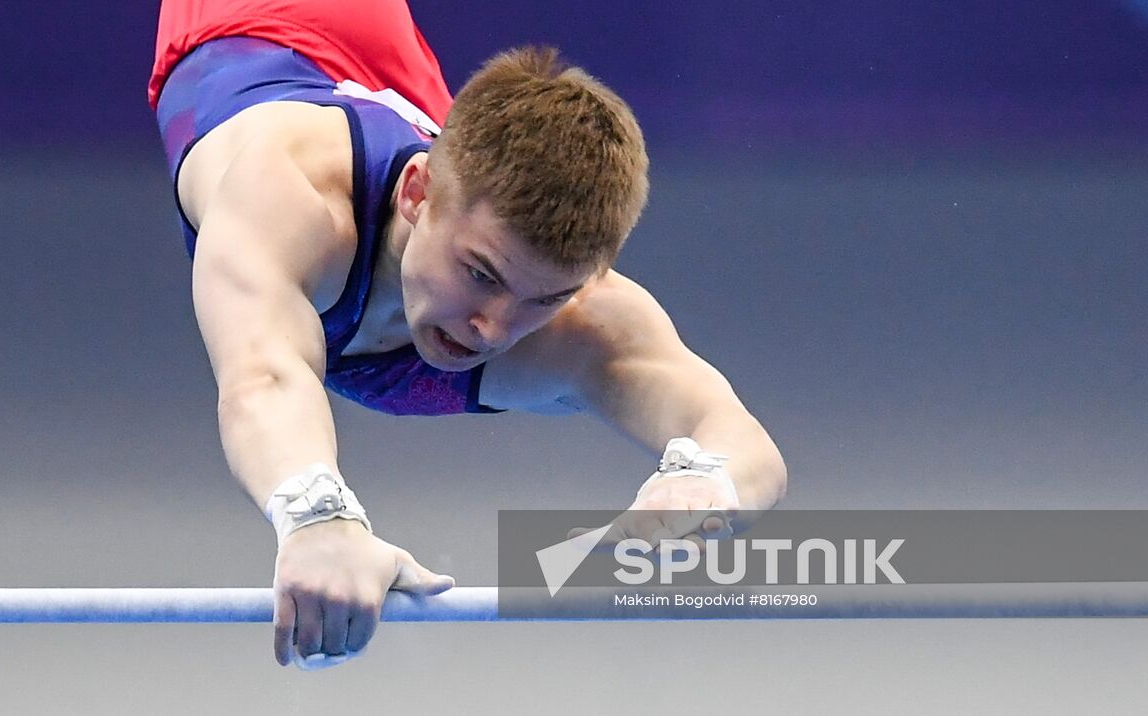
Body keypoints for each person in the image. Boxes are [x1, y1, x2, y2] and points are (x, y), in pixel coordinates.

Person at [149, 0, 787, 670]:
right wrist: (318, 519)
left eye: (545, 297)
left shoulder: (576, 318)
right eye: (480, 273)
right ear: (416, 193)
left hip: (394, 93)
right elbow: (263, 375)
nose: (495, 327)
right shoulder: (289, 197)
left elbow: (746, 447)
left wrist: (702, 488)